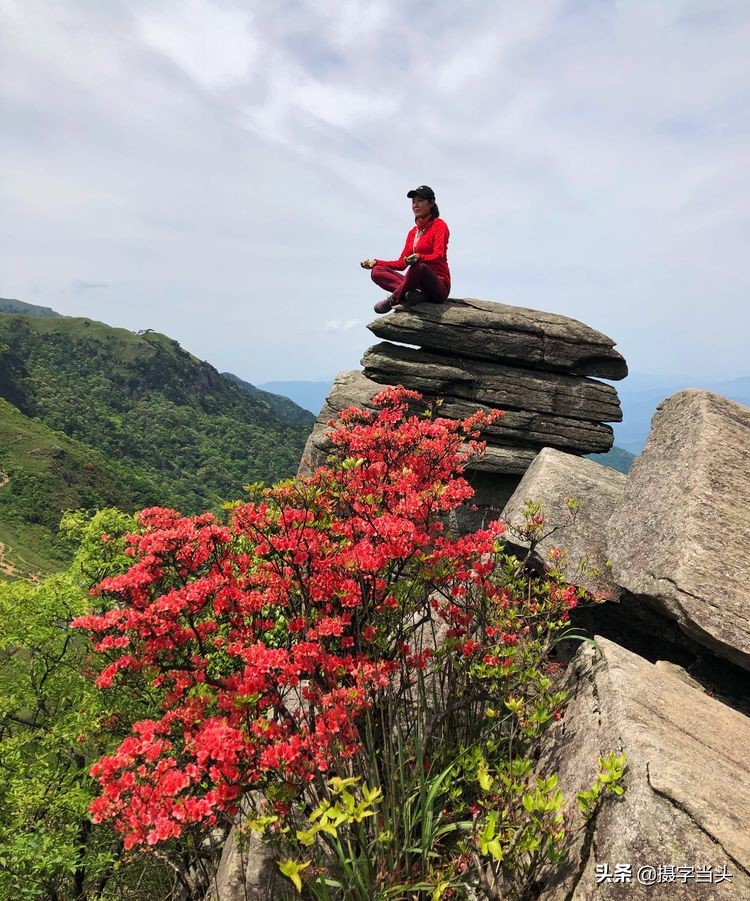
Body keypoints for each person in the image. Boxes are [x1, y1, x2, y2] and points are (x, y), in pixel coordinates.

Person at [361, 185, 450, 314]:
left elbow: (439, 255)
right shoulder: (413, 233)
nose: (415, 205)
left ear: (431, 203)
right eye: (413, 202)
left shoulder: (439, 225)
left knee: (419, 267)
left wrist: (419, 257)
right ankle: (415, 296)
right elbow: (401, 264)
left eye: (420, 201)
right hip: (415, 287)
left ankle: (393, 299)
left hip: (438, 286)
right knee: (377, 272)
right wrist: (376, 262)